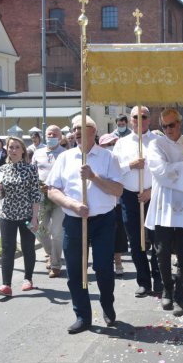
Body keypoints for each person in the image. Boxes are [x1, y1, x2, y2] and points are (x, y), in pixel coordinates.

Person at [45, 115, 123, 334]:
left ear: (93, 131)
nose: (77, 131)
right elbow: (52, 189)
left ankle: (107, 305)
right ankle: (82, 315)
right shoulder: (65, 157)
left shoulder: (108, 157)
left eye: (82, 128)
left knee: (103, 267)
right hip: (74, 220)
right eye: (74, 128)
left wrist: (93, 177)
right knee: (76, 270)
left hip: (103, 220)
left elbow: (117, 190)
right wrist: (72, 204)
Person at [146, 108, 183, 316]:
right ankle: (167, 287)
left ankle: (180, 296)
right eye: (164, 126)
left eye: (172, 125)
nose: (168, 129)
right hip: (164, 204)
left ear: (180, 123)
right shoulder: (156, 143)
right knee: (162, 250)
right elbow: (160, 170)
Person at [113, 106, 162, 297]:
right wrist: (130, 165)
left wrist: (151, 191)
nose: (139, 120)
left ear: (149, 119)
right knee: (135, 241)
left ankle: (159, 278)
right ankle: (143, 280)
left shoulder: (158, 141)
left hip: (153, 195)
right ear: (130, 120)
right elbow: (115, 169)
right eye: (135, 117)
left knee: (158, 240)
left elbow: (163, 171)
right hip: (129, 196)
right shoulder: (121, 143)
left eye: (144, 116)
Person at [0, 137, 42, 296]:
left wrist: (35, 218)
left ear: (22, 150)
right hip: (7, 215)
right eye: (10, 147)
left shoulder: (31, 169)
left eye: (16, 147)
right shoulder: (2, 170)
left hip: (27, 215)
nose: (13, 150)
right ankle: (6, 285)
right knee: (7, 248)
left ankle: (28, 279)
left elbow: (36, 195)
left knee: (28, 248)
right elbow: (0, 196)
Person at [31, 125, 66, 278]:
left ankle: (56, 264)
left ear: (60, 137)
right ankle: (50, 253)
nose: (51, 136)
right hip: (41, 198)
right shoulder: (38, 153)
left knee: (57, 232)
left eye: (54, 134)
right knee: (39, 229)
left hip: (59, 197)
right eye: (49, 134)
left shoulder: (66, 154)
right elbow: (32, 173)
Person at [99, 133, 128, 277]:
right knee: (103, 237)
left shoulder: (116, 158)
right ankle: (105, 262)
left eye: (113, 143)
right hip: (102, 204)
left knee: (118, 235)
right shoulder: (98, 160)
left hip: (116, 202)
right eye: (108, 144)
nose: (111, 147)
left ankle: (118, 262)